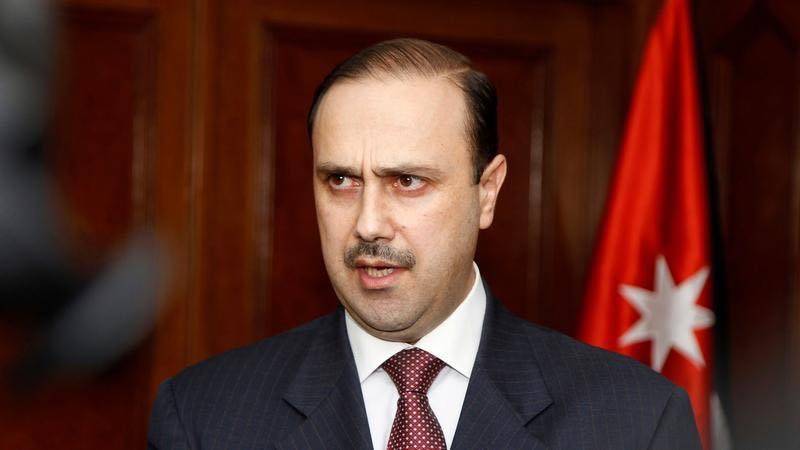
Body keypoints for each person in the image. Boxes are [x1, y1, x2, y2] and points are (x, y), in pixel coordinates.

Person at [148, 38, 701, 450]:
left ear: (487, 192)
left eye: (407, 181)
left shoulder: (636, 421)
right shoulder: (203, 417)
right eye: (341, 180)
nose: (368, 224)